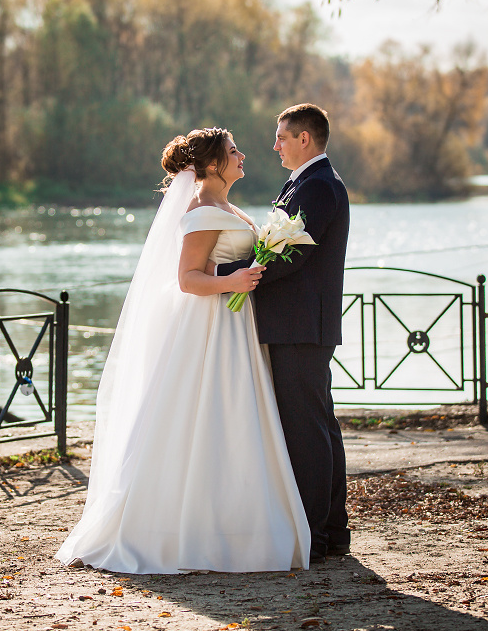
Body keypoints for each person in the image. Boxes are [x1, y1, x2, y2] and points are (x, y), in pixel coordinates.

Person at [55, 128, 310, 574]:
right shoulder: (200, 211)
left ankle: (234, 524)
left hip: (235, 325)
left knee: (233, 417)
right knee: (206, 415)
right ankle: (184, 529)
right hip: (209, 327)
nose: (242, 155)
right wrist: (232, 282)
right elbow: (188, 278)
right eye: (233, 152)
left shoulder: (226, 208)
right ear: (212, 165)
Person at [216, 104, 351, 564]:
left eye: (281, 137)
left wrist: (226, 274)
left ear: (304, 140)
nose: (274, 146)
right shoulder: (306, 183)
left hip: (300, 326)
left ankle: (314, 534)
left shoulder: (317, 187)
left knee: (307, 430)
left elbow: (289, 255)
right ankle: (332, 532)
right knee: (319, 426)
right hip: (300, 324)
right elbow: (280, 248)